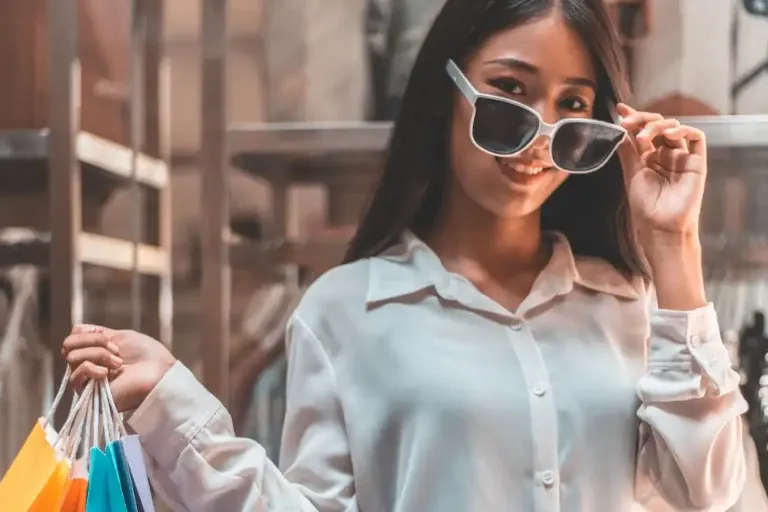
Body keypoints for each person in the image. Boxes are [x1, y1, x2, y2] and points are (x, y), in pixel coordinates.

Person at [62, 0, 748, 510]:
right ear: (445, 94)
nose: (540, 138)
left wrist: (672, 247)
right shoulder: (346, 310)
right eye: (508, 95)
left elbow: (713, 497)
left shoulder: (635, 308)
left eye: (573, 108)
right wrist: (171, 401)